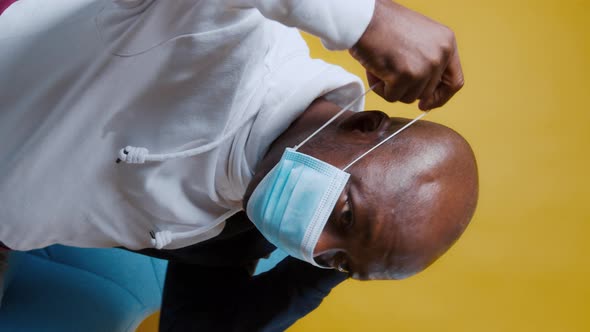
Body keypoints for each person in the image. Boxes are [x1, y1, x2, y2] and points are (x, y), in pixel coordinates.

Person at [0, 0, 475, 325]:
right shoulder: (225, 32)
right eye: (346, 214)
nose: (313, 239)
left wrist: (321, 272)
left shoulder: (234, 222)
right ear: (364, 125)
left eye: (337, 259)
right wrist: (368, 19)